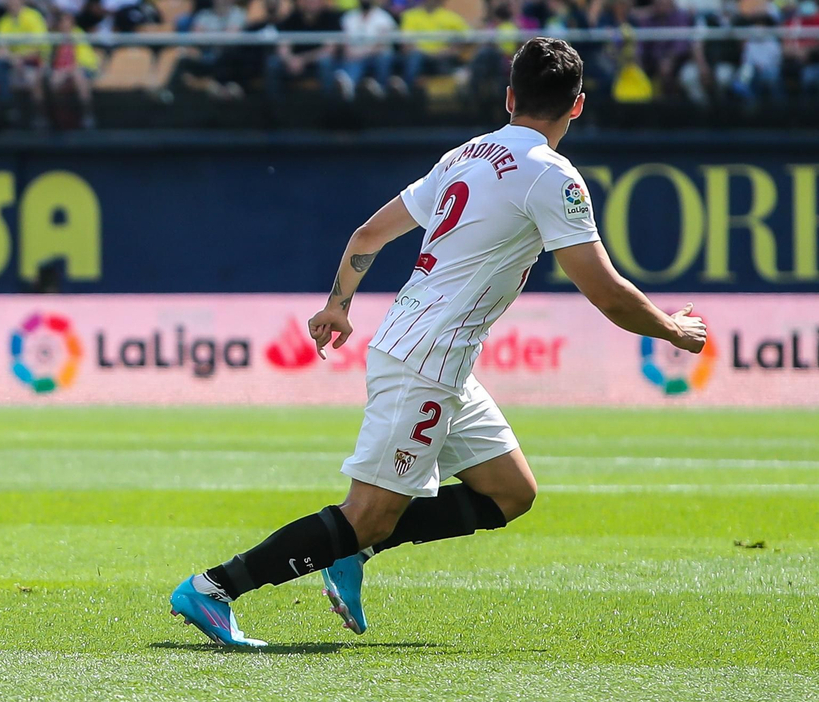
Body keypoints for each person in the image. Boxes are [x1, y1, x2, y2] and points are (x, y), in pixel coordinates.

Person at [169, 37, 708, 647]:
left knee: (510, 493)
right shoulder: (551, 176)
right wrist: (673, 329)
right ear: (578, 105)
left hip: (433, 354)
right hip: (426, 359)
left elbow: (368, 234)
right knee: (368, 513)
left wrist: (338, 305)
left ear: (509, 97)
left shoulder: (464, 156)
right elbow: (606, 293)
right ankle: (215, 587)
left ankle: (354, 550)